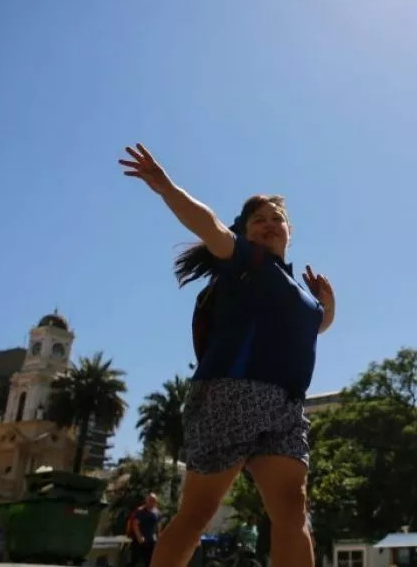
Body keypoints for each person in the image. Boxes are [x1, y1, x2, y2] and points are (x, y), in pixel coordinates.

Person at [119, 143, 336, 567]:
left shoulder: (298, 292)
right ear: (246, 231)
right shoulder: (245, 260)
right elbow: (210, 225)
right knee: (197, 515)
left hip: (287, 406)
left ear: (290, 231)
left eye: (279, 219)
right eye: (260, 220)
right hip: (230, 395)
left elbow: (312, 331)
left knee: (293, 515)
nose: (271, 224)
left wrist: (327, 306)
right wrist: (166, 188)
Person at [128, 493, 161, 567]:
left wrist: (159, 536)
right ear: (146, 500)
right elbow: (135, 524)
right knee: (134, 561)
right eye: (150, 500)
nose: (152, 502)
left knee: (149, 562)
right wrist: (139, 537)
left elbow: (158, 525)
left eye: (154, 500)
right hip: (139, 541)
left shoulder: (157, 512)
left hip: (151, 541)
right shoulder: (141, 511)